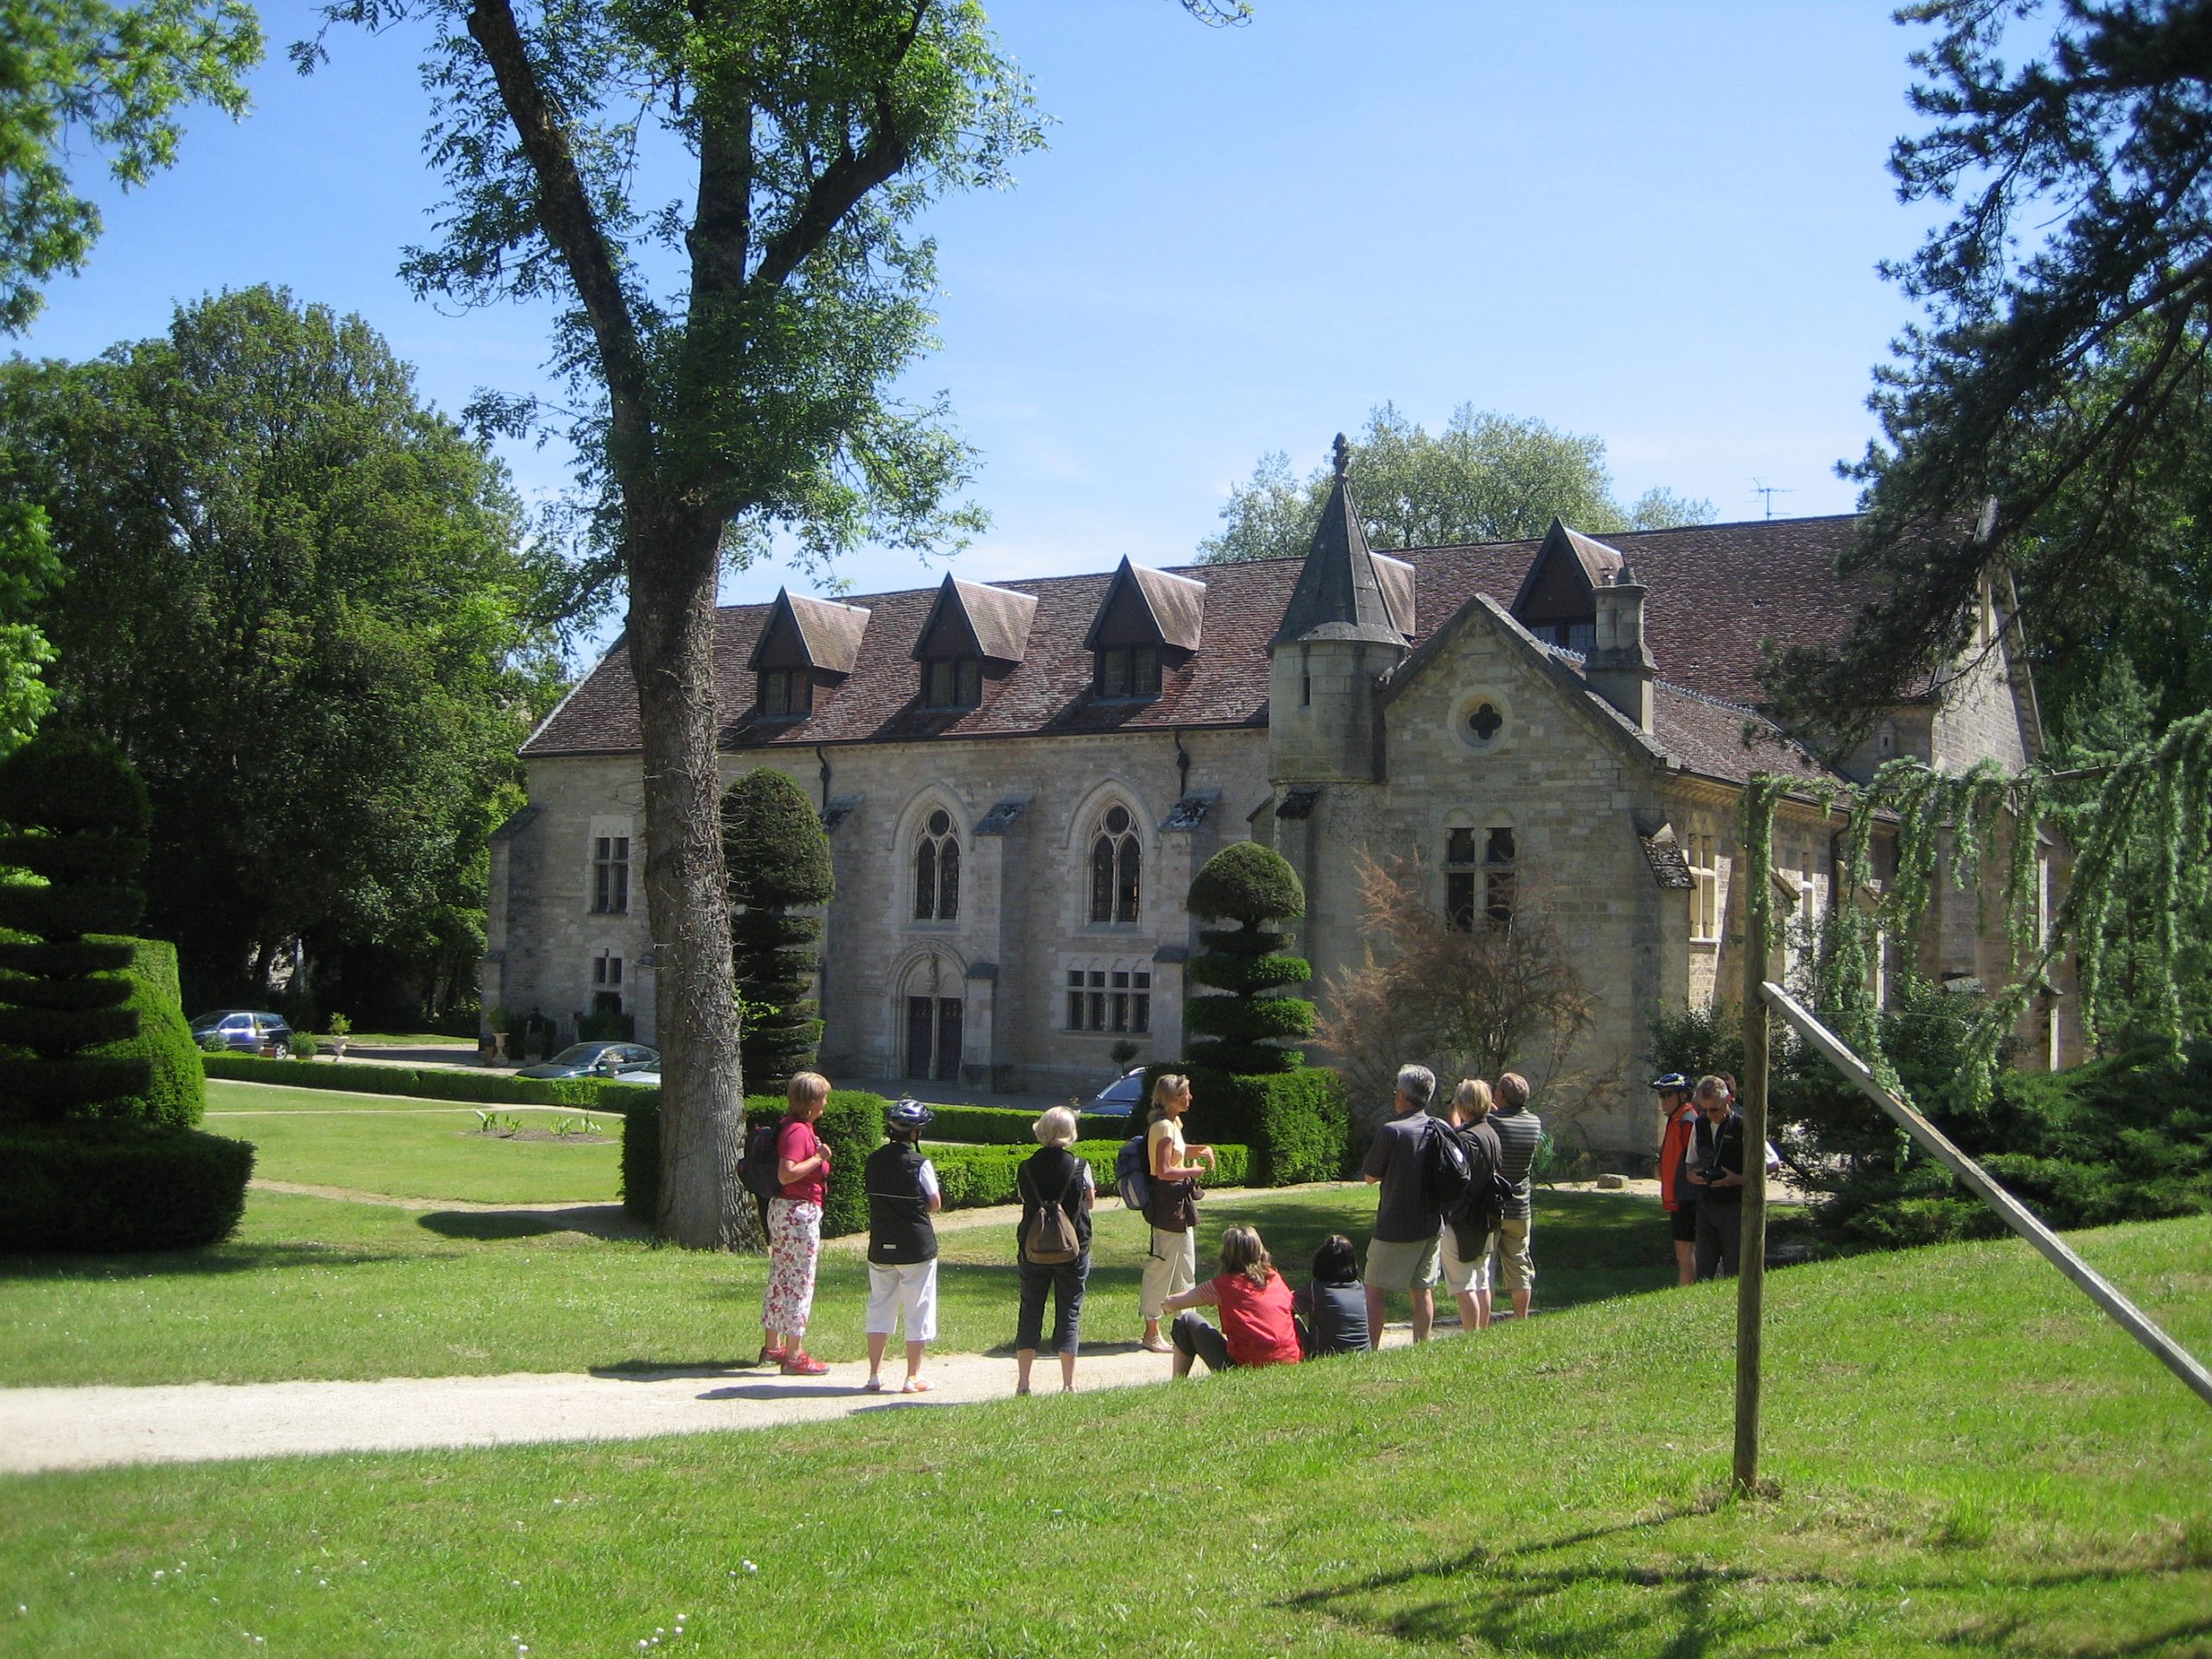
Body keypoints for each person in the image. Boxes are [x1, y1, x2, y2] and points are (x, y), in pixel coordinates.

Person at [862, 1097, 942, 1394]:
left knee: (880, 1305)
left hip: (881, 1242)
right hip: (915, 1245)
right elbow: (934, 1202)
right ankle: (913, 1376)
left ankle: (874, 1374)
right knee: (918, 1307)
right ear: (914, 1133)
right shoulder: (920, 1163)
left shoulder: (874, 1159)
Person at [1014, 1105, 1095, 1394]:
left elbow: (1026, 1200)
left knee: (1030, 1309)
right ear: (1070, 1133)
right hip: (1073, 1248)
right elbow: (1090, 1202)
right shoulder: (1080, 1166)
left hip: (1033, 1247)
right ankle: (1068, 1383)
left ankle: (1023, 1382)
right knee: (1069, 1310)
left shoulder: (1025, 1167)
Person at [1361, 1063, 1443, 1343]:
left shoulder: (1393, 1131)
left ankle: (1370, 1349)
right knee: (1422, 1291)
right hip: (1432, 1223)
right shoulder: (1440, 1128)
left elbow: (1370, 1176)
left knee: (1374, 1291)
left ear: (1403, 1095)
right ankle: (1423, 1344)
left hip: (1395, 1225)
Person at [761, 1071, 833, 1376]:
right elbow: (786, 1173)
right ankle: (793, 1354)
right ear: (812, 1102)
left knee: (781, 1276)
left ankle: (773, 1346)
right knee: (800, 1283)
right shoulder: (799, 1132)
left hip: (784, 1211)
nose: (826, 1104)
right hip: (798, 1213)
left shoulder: (790, 1126)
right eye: (823, 1098)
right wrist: (819, 1158)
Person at [1161, 1224, 1303, 1376]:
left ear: (1226, 1255)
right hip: (1289, 1360)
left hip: (1246, 1366)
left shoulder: (1224, 1285)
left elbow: (1173, 1303)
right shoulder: (1275, 1278)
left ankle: (1178, 1381)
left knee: (1187, 1321)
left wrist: (1164, 1305)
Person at [1138, 1073, 1214, 1353]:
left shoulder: (1173, 1124)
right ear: (1172, 1098)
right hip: (1168, 1203)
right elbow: (1164, 1170)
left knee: (1185, 1266)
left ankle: (1187, 1327)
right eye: (1186, 1093)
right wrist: (1193, 1171)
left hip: (1178, 1204)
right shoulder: (1164, 1128)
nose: (1190, 1097)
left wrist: (1201, 1150)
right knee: (1161, 1267)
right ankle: (1151, 1332)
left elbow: (1177, 1155)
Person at [1440, 1078, 1504, 1333]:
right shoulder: (1491, 1133)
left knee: (1464, 1285)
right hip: (1487, 1215)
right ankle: (1482, 1332)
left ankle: (1471, 1335)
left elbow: (1457, 1179)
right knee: (1482, 1280)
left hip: (1464, 1218)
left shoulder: (1465, 1139)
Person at [1488, 1072, 1542, 1320]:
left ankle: (1482, 1321)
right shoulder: (1534, 1123)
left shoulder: (1491, 1122)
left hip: (1493, 1204)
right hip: (1520, 1206)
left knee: (1485, 1266)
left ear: (1501, 1095)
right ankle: (1522, 1318)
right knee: (1520, 1264)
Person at [1686, 1074, 1746, 1279]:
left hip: (1735, 1204)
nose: (1710, 1114)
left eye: (1715, 1109)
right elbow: (1690, 1163)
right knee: (1703, 1267)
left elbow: (1772, 1165)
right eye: (1705, 1109)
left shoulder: (1744, 1126)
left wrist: (1736, 1178)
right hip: (1706, 1204)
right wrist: (1693, 1175)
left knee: (1734, 1267)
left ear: (1728, 1100)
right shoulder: (1700, 1124)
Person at [1653, 1072, 1700, 1287]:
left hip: (1688, 1197)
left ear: (1683, 1096)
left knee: (1687, 1253)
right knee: (1683, 1253)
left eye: (1667, 1094)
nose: (1663, 1100)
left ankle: (1687, 1294)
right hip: (1677, 1196)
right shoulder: (1675, 1119)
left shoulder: (1688, 1121)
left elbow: (1696, 1160)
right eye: (1661, 1095)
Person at [1291, 1233, 1371, 1356]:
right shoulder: (1359, 1287)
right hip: (1364, 1354)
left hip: (1327, 1354)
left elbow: (1287, 1304)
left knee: (1291, 1316)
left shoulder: (1315, 1289)